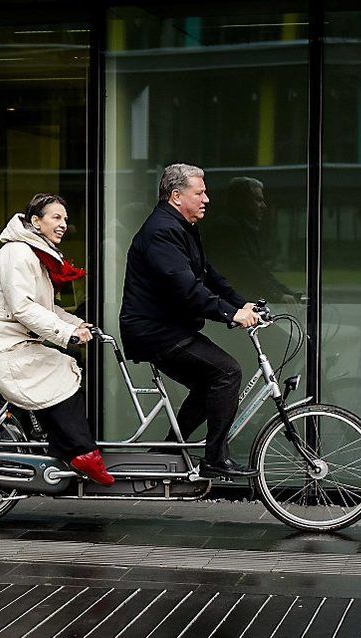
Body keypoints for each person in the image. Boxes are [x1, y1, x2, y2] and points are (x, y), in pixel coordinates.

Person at [119, 164, 260, 479]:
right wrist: (230, 314)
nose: (207, 199)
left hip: (168, 329)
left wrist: (241, 304)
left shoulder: (180, 228)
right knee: (227, 371)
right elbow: (185, 287)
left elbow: (210, 277)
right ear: (176, 195)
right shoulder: (162, 231)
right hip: (155, 332)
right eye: (200, 192)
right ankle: (213, 459)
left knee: (208, 383)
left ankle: (170, 454)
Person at [0, 193, 115, 487]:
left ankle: (65, 450)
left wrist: (76, 323)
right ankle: (81, 452)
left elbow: (45, 308)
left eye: (65, 219)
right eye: (56, 218)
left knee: (63, 369)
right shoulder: (18, 254)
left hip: (11, 343)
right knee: (60, 370)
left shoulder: (34, 252)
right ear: (36, 222)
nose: (63, 225)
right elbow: (22, 307)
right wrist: (66, 333)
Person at [207, 176, 299, 305]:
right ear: (240, 201)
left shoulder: (244, 228)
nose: (263, 206)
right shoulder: (227, 228)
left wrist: (287, 293)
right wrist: (277, 295)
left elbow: (259, 269)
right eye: (258, 200)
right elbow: (246, 268)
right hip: (230, 307)